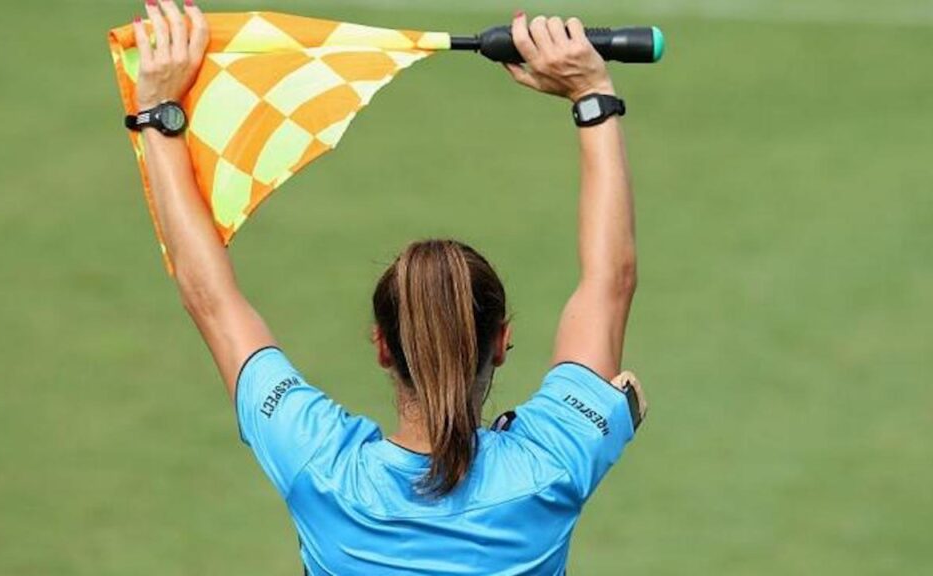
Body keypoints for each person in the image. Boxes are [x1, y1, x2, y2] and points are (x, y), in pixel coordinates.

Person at [131, 2, 648, 573]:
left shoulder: (319, 464)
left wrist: (158, 113)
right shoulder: (552, 461)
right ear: (500, 342)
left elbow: (211, 300)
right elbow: (610, 282)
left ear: (382, 345)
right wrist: (592, 94)